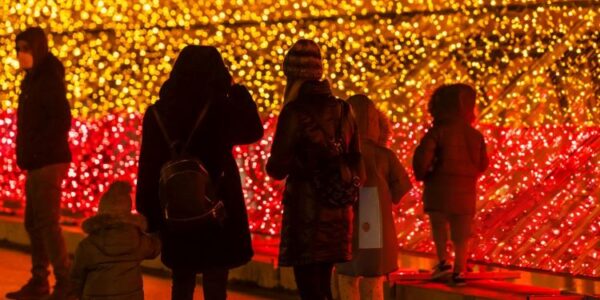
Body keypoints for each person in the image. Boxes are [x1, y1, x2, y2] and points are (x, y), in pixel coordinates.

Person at [136, 45, 263, 300]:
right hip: (217, 207)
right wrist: (239, 92)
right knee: (216, 282)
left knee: (181, 280)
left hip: (174, 210)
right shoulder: (220, 108)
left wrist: (149, 215)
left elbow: (148, 166)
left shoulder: (158, 113)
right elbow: (253, 131)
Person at [266, 39, 365, 300]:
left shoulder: (294, 112)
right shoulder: (344, 109)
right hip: (338, 211)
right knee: (323, 286)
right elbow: (357, 160)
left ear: (292, 76)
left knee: (310, 289)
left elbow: (277, 167)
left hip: (307, 212)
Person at [7, 27, 73, 300]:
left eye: (25, 48)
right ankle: (39, 280)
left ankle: (65, 282)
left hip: (47, 162)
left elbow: (60, 120)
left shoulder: (47, 80)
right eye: (18, 48)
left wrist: (39, 151)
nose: (21, 54)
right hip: (37, 163)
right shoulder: (32, 80)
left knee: (46, 223)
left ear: (38, 48)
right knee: (34, 223)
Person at [337, 95, 412, 299]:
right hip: (374, 221)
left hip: (343, 220)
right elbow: (402, 189)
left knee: (346, 274)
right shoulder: (384, 155)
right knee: (373, 275)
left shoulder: (338, 153)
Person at [412, 84, 489, 286]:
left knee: (439, 228)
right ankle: (458, 271)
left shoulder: (437, 132)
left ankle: (443, 263)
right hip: (465, 195)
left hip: (438, 191)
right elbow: (483, 164)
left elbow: (422, 160)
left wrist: (424, 174)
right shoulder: (475, 136)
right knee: (461, 235)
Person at [70, 181, 161, 299]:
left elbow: (76, 277)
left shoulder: (88, 245)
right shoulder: (138, 240)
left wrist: (76, 295)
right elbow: (155, 248)